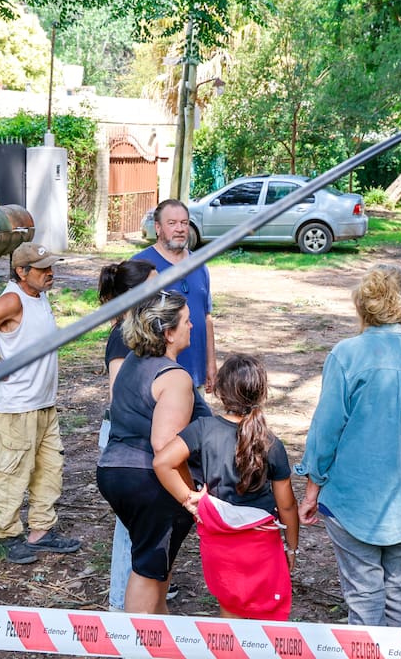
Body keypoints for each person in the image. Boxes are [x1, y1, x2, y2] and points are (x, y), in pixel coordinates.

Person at [297, 264, 401, 627]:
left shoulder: (346, 355)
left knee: (364, 596)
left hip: (352, 502)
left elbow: (325, 432)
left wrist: (311, 491)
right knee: (399, 589)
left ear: (363, 305)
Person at [0, 241, 80, 565]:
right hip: (18, 406)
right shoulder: (12, 299)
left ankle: (41, 531)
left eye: (51, 267)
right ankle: (7, 535)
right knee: (13, 472)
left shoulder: (39, 295)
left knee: (50, 468)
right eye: (43, 269)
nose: (50, 273)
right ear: (22, 272)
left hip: (44, 403)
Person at [153, 353, 300, 620]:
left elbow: (163, 462)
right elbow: (287, 505)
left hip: (219, 540)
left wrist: (189, 500)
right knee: (268, 614)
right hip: (261, 543)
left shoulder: (203, 429)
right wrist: (291, 547)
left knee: (230, 606)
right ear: (261, 392)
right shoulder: (270, 442)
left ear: (220, 390)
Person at [96, 291, 213, 613]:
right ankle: (136, 640)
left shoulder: (134, 362)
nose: (192, 325)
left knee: (157, 563)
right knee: (148, 569)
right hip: (150, 481)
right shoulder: (174, 378)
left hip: (115, 470)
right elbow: (165, 446)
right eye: (187, 321)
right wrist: (189, 494)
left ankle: (158, 638)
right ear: (168, 332)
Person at [96, 258, 158, 610]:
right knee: (130, 527)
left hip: (141, 434)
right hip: (128, 438)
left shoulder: (139, 330)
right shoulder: (122, 336)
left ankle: (144, 587)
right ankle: (121, 602)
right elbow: (120, 393)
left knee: (145, 521)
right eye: (153, 284)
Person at [134, 199, 217, 393]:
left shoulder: (199, 264)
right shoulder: (141, 265)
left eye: (184, 223)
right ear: (158, 227)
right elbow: (126, 323)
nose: (179, 229)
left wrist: (210, 364)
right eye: (172, 223)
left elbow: (207, 318)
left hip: (195, 375)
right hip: (157, 377)